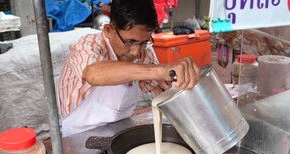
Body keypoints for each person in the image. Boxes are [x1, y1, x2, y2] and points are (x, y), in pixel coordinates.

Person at [58, 0, 200, 137]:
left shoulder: (144, 52)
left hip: (118, 131)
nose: (136, 52)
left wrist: (176, 87)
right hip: (77, 137)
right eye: (130, 42)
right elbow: (92, 74)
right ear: (109, 30)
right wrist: (159, 70)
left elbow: (159, 89)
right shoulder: (89, 46)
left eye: (144, 42)